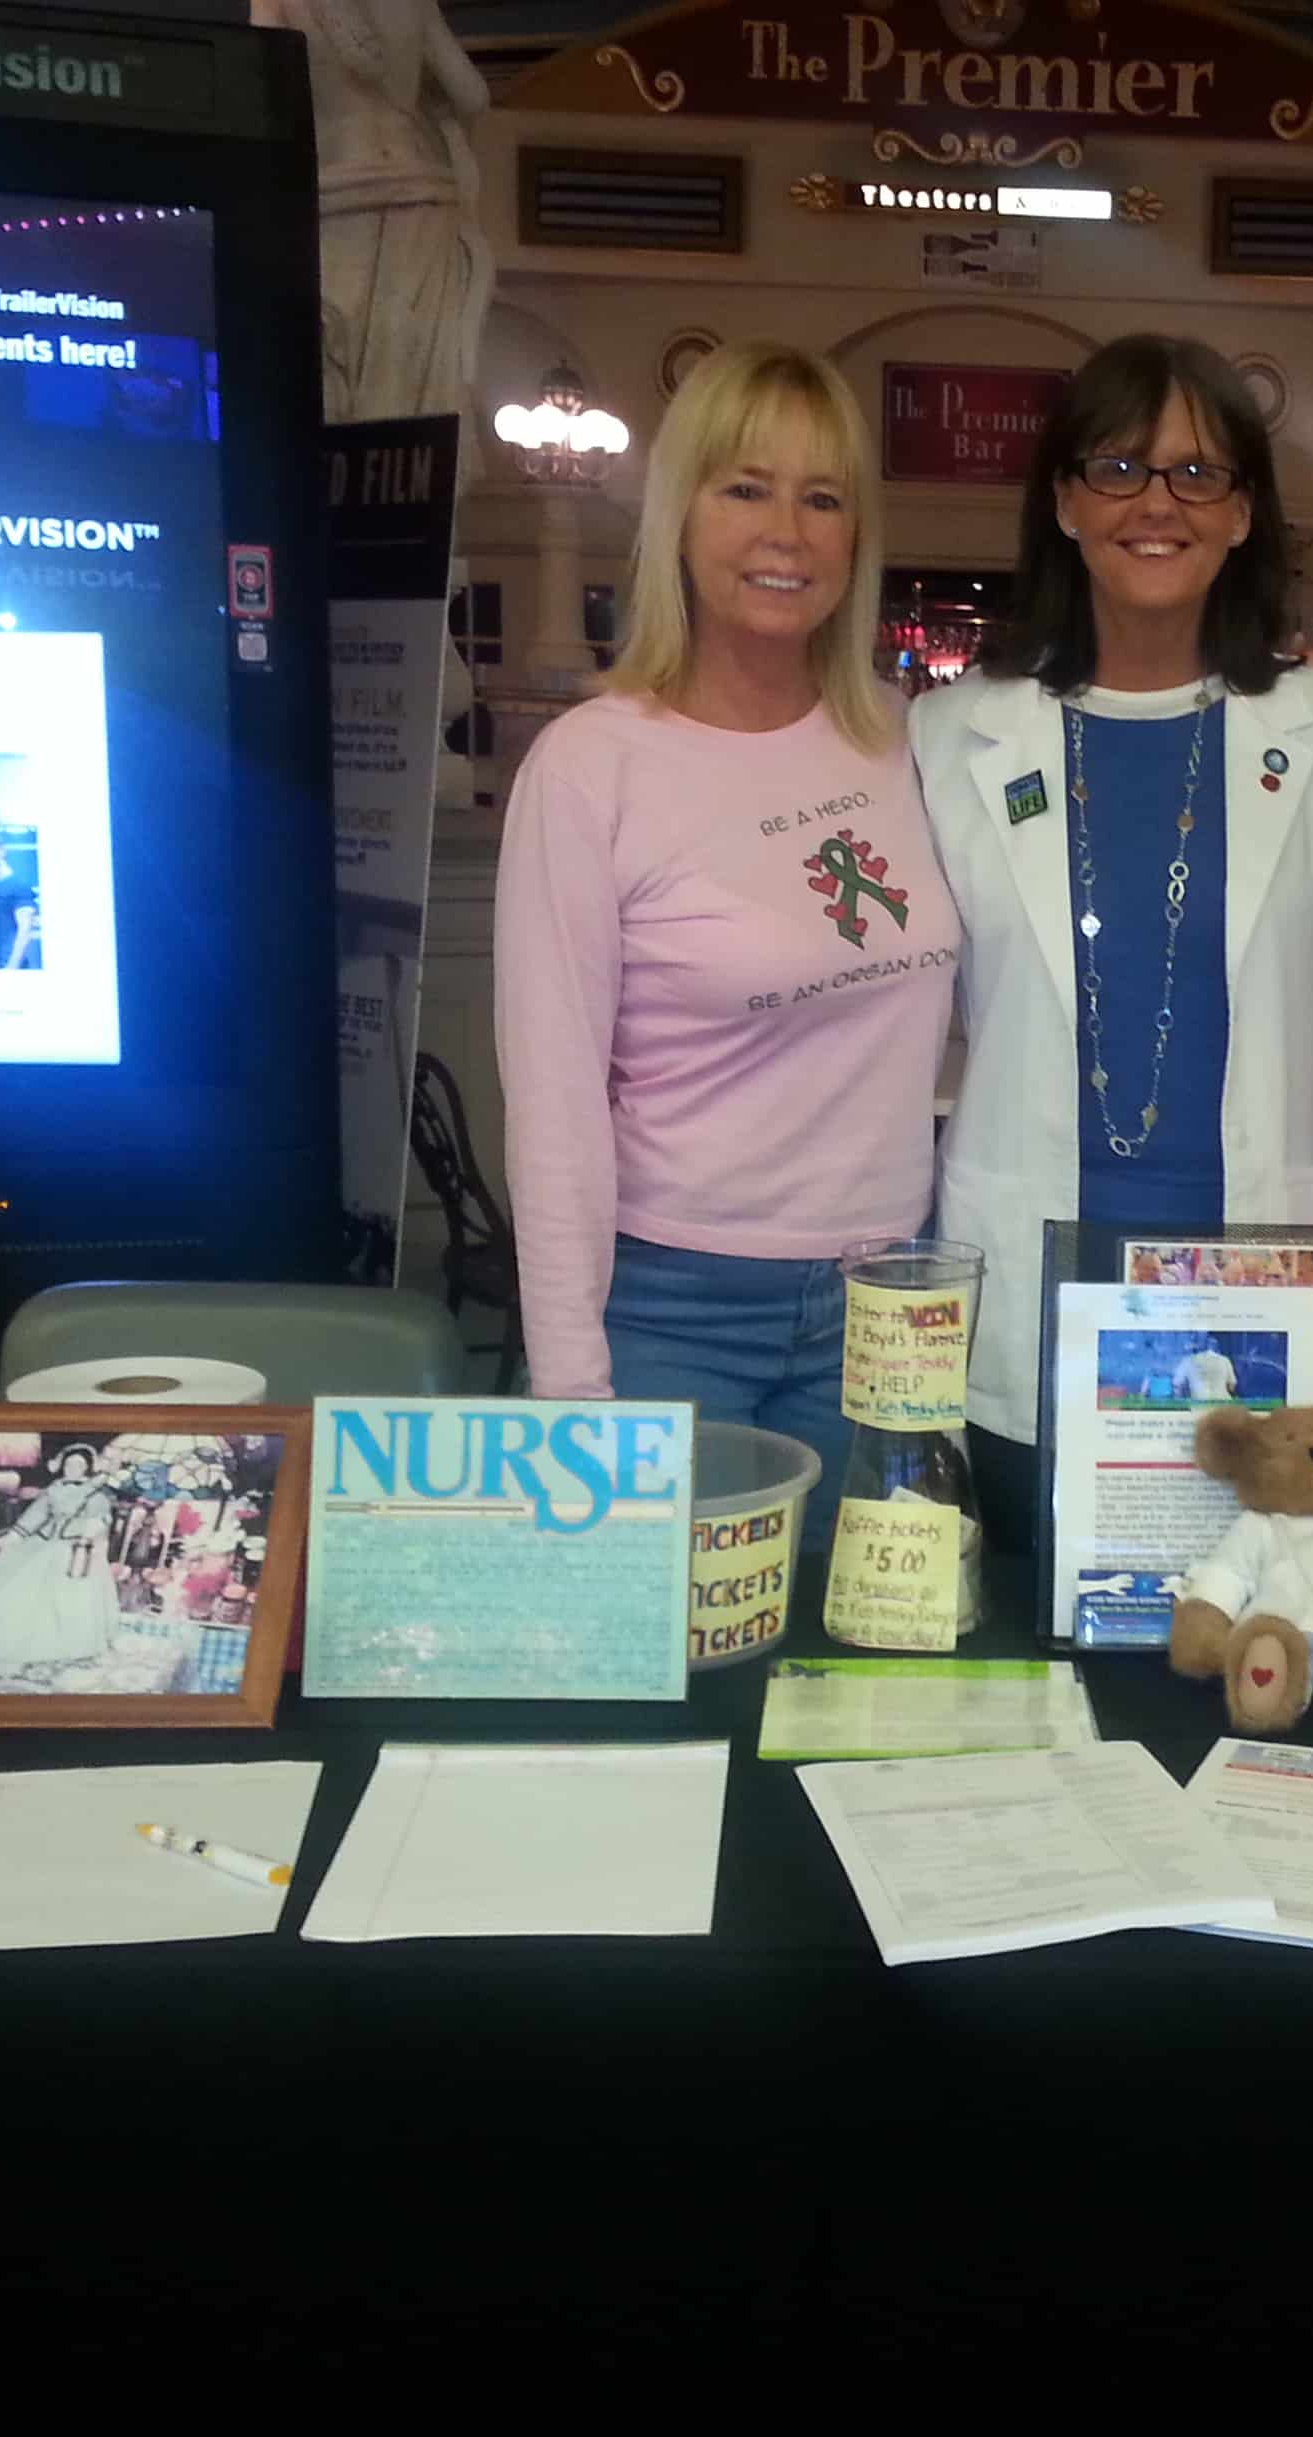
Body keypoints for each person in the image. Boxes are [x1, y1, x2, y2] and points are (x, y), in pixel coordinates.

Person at [912, 334, 1313, 1539]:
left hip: (1266, 1276)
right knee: (1051, 1639)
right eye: (1117, 469)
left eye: (1197, 473)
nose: (1155, 504)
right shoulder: (951, 735)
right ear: (1064, 502)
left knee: (1252, 1630)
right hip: (1036, 1264)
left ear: (1241, 516)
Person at [498, 341, 958, 1553]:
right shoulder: (595, 765)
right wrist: (571, 1394)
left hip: (887, 1305)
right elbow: (551, 1105)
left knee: (854, 1673)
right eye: (745, 488)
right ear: (679, 512)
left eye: (824, 497)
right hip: (671, 1306)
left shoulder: (909, 745)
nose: (787, 532)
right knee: (671, 1679)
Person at [0, 1447, 123, 1677]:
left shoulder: (97, 1496)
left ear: (87, 1468)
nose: (72, 1469)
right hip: (47, 1547)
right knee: (9, 1583)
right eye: (68, 1464)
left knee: (74, 1600)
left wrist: (93, 1532)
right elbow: (27, 1525)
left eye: (78, 1465)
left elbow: (101, 1525)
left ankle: (72, 1648)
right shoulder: (51, 1492)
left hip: (80, 1553)